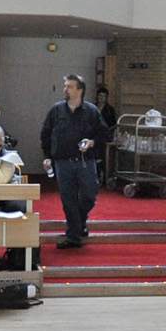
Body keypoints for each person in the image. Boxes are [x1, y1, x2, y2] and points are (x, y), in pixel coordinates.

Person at [41, 74, 100, 249]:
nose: (65, 89)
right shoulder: (56, 110)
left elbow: (104, 133)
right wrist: (47, 156)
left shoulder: (92, 111)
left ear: (80, 90)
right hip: (62, 162)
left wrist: (92, 142)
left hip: (85, 161)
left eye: (70, 86)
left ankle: (79, 223)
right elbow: (45, 134)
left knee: (89, 195)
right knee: (68, 199)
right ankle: (74, 235)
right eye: (65, 86)